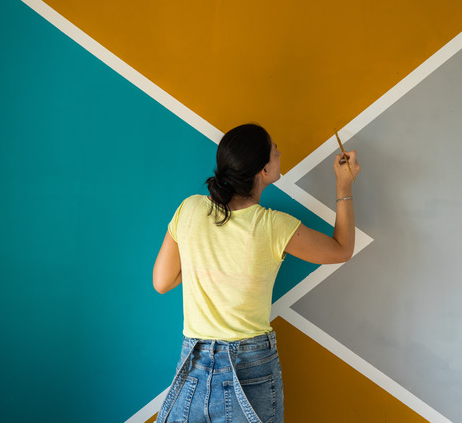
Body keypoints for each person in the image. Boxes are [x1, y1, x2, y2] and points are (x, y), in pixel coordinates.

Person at [152, 123, 360, 423]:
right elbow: (342, 249)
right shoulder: (274, 226)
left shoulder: (190, 209)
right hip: (250, 366)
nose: (279, 152)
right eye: (275, 150)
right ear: (263, 171)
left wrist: (205, 259)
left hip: (194, 363)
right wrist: (344, 185)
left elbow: (162, 282)